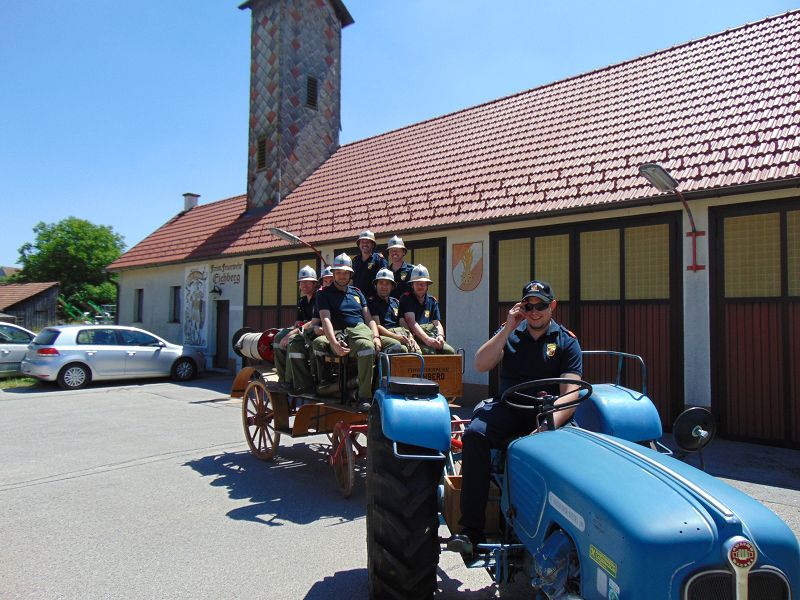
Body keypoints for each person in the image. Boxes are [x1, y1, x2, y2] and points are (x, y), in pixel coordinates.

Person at [450, 280, 583, 556]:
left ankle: (570, 534)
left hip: (547, 414)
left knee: (575, 454)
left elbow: (570, 394)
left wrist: (547, 424)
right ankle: (471, 532)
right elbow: (480, 363)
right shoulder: (510, 333)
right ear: (521, 307)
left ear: (553, 306)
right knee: (475, 434)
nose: (535, 312)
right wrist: (508, 326)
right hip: (509, 409)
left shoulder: (566, 342)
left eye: (541, 306)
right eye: (528, 305)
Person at [312, 253, 380, 412]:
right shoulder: (323, 294)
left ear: (350, 274)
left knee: (396, 347)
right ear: (334, 274)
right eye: (339, 272)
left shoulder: (357, 292)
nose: (342, 276)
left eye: (345, 273)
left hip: (364, 331)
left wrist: (377, 336)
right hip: (345, 334)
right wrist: (334, 344)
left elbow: (369, 319)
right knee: (366, 347)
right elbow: (326, 320)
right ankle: (364, 396)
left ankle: (386, 389)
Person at [273, 265, 318, 394]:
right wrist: (290, 330)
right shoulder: (302, 301)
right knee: (277, 338)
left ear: (314, 283)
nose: (304, 285)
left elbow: (314, 321)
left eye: (307, 282)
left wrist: (292, 333)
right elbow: (298, 322)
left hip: (313, 331)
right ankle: (282, 378)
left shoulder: (319, 298)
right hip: (302, 329)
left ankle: (290, 381)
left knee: (291, 341)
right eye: (302, 283)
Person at [398, 264, 455, 355]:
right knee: (429, 352)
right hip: (415, 337)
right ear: (412, 285)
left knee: (450, 351)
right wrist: (427, 340)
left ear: (427, 285)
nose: (420, 286)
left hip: (432, 335)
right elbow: (411, 322)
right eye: (417, 284)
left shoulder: (432, 301)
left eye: (423, 284)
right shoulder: (406, 299)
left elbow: (437, 323)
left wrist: (440, 336)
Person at [367, 268, 419, 354]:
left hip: (399, 333)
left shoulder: (396, 302)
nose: (384, 286)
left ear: (392, 286)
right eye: (381, 283)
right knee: (401, 349)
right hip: (384, 336)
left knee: (416, 351)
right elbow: (377, 326)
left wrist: (410, 336)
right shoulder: (371, 302)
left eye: (387, 283)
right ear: (376, 285)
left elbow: (402, 321)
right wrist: (397, 337)